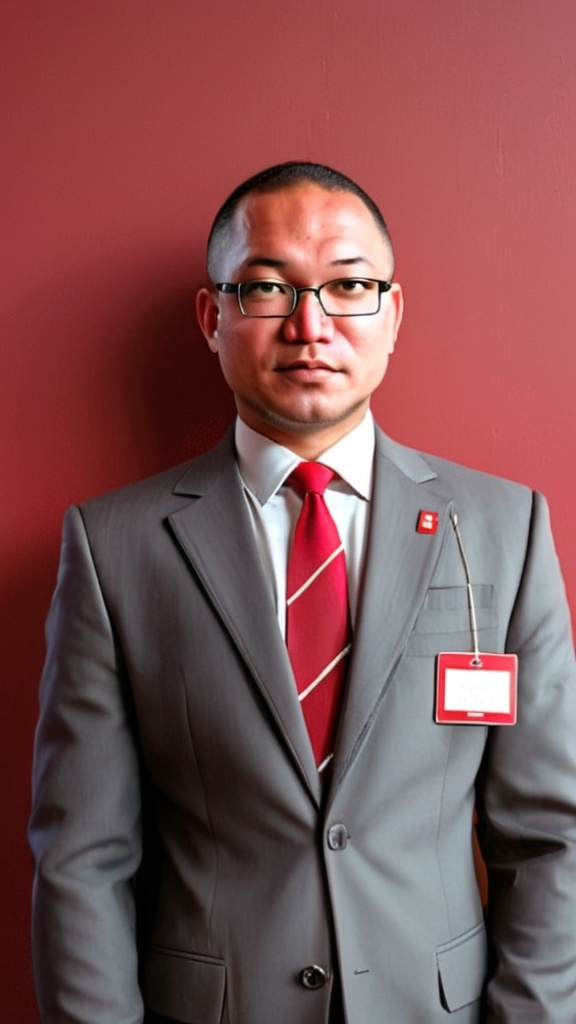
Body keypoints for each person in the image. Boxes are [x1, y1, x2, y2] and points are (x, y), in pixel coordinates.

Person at [29, 161, 576, 1024]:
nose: (310, 325)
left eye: (350, 285)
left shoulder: (505, 530)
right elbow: (81, 859)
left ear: (392, 315)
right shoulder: (112, 547)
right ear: (214, 318)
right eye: (268, 289)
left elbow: (553, 839)